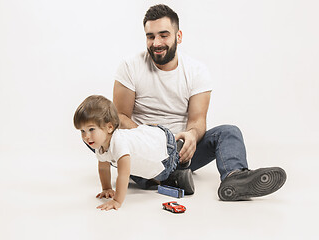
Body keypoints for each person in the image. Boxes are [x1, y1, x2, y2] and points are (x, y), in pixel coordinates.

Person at [113, 4, 286, 201]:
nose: (156, 42)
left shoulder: (197, 71)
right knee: (99, 129)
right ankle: (158, 176)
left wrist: (192, 136)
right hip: (143, 149)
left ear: (178, 36)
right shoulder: (130, 66)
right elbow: (119, 117)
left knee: (229, 132)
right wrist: (151, 140)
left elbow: (198, 119)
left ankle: (234, 178)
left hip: (181, 151)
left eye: (163, 35)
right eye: (150, 36)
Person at [73, 95, 195, 211]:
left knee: (163, 173)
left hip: (163, 145)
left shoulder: (119, 143)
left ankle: (179, 153)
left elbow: (123, 175)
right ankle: (178, 173)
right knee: (150, 180)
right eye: (82, 131)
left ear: (110, 127)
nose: (86, 136)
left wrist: (117, 201)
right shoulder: (100, 146)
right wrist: (107, 188)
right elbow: (103, 168)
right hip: (150, 149)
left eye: (91, 129)